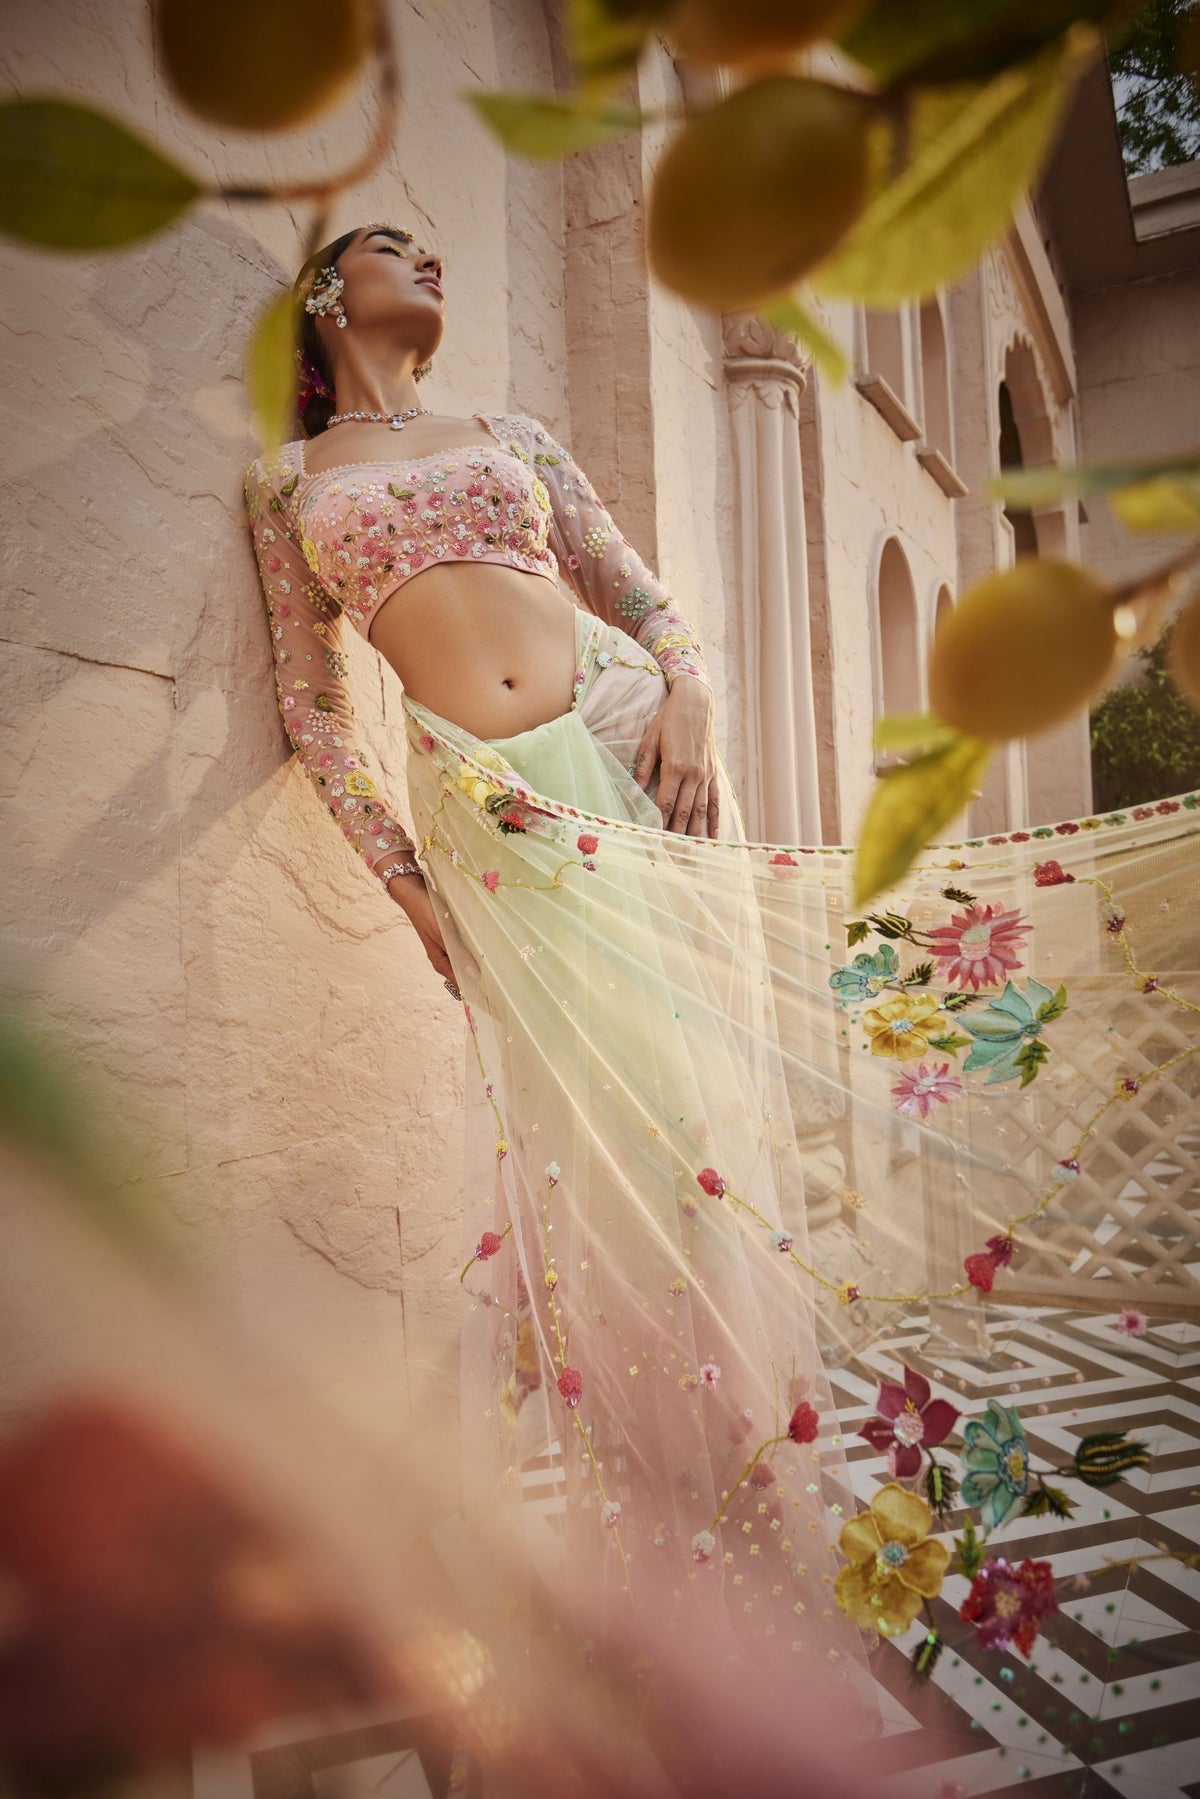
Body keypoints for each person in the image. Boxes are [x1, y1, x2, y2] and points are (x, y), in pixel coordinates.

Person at [243, 222, 1200, 1758]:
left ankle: (766, 1522)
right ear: (322, 299)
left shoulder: (517, 436)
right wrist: (409, 890)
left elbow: (651, 601)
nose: (428, 252)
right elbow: (310, 712)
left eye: (434, 241)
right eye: (385, 245)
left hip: (632, 754)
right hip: (499, 825)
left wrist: (687, 698)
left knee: (695, 1139)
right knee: (600, 1166)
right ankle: (665, 1546)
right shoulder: (291, 491)